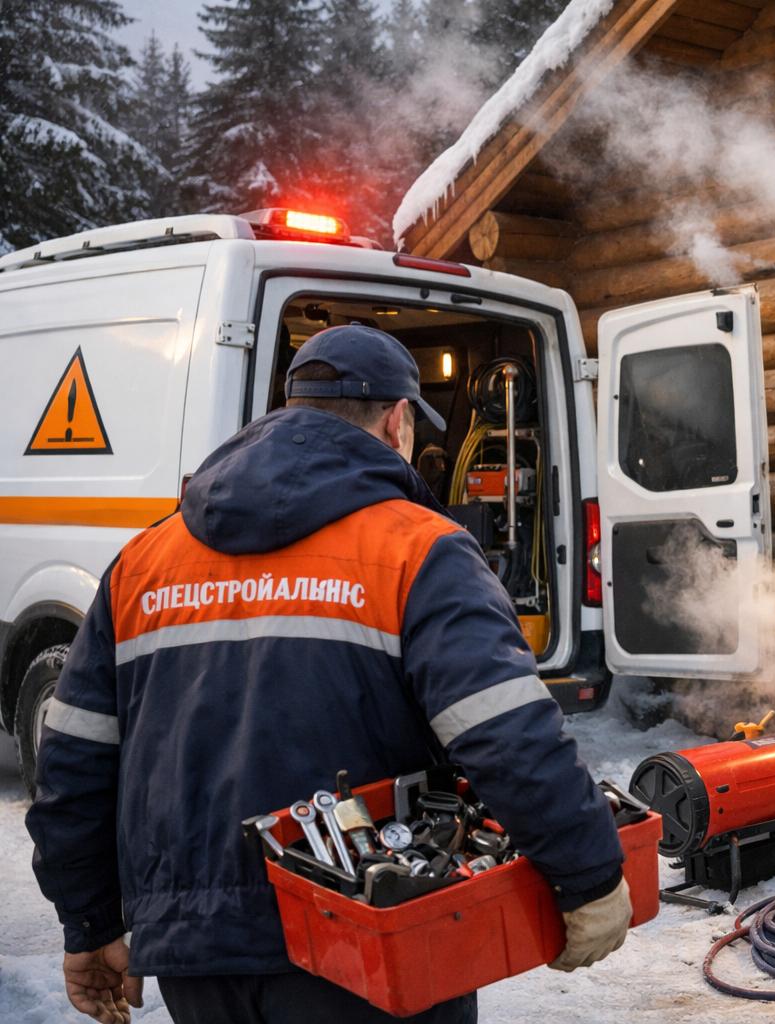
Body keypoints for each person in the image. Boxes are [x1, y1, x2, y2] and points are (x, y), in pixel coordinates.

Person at [26, 325, 632, 1024]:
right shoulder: (419, 550)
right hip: (370, 943)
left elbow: (71, 763)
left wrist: (91, 920)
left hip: (197, 958)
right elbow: (506, 732)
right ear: (397, 421)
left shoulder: (145, 561)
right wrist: (587, 872)